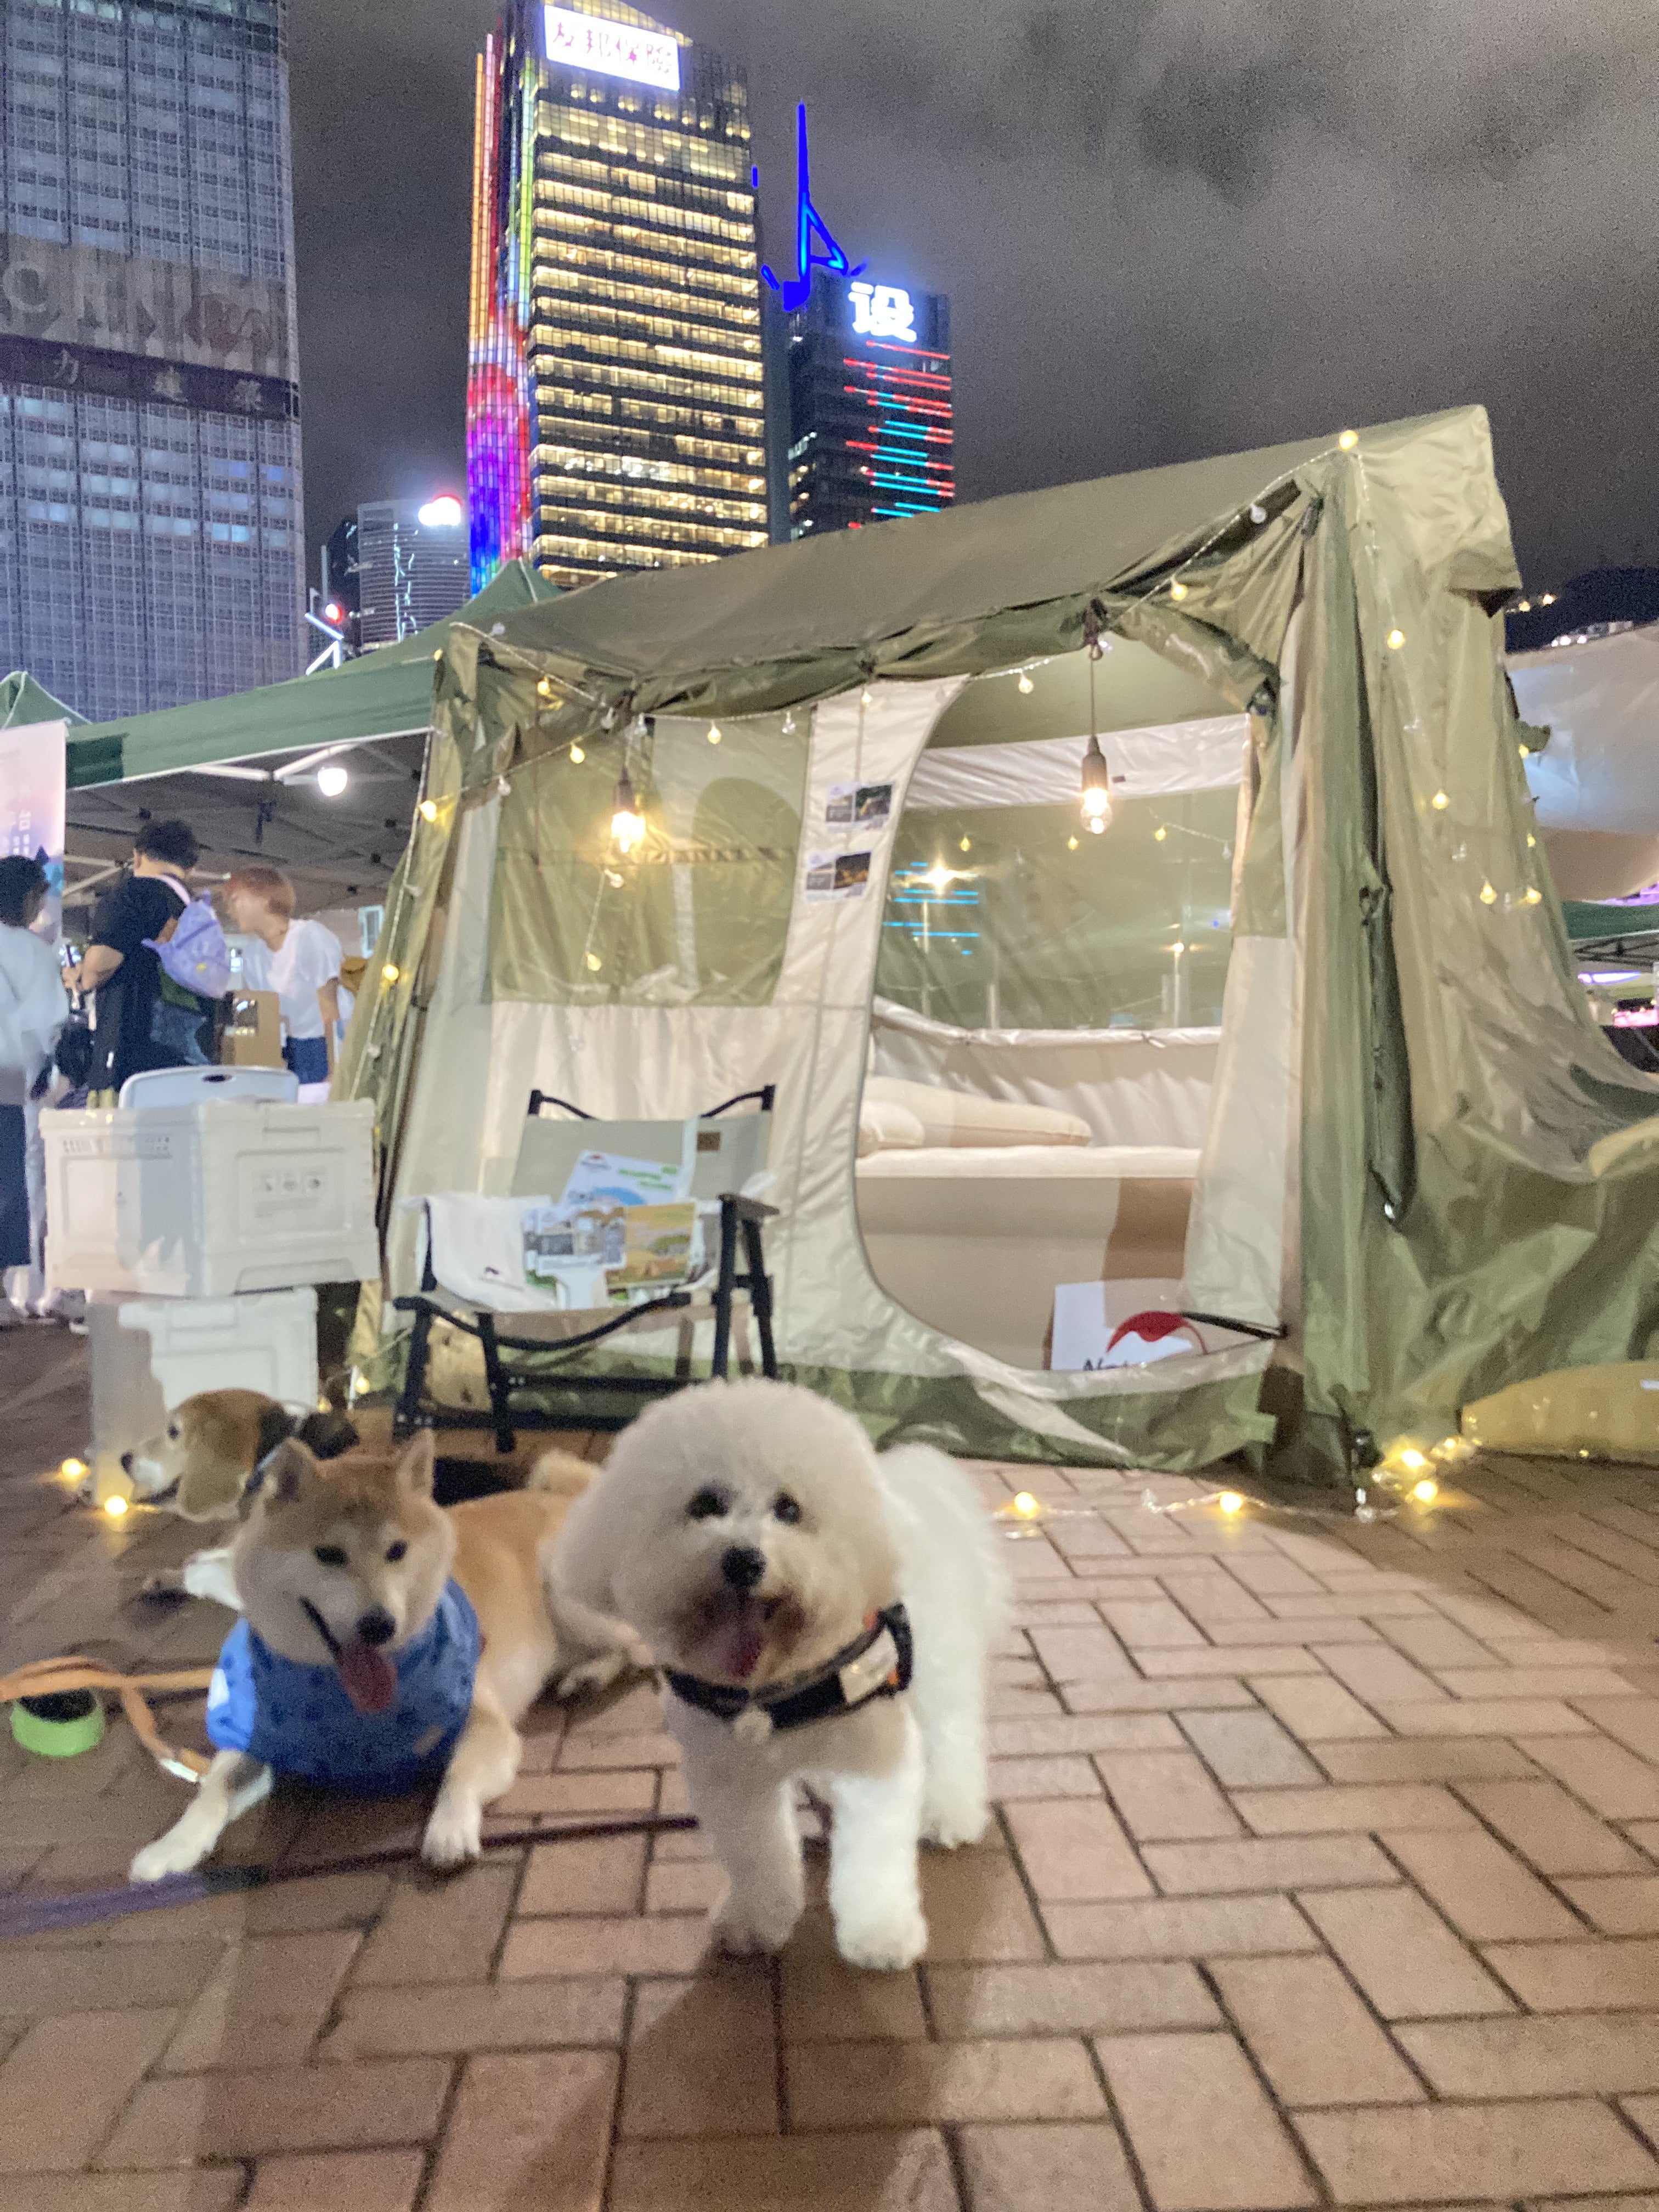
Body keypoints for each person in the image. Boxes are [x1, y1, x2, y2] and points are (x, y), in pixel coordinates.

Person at [66, 819, 211, 1100]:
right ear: (190, 869)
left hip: (131, 1052)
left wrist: (80, 974)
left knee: (121, 1141)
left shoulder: (131, 894)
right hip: (190, 1054)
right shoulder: (197, 911)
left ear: (138, 856)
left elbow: (99, 968)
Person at [0, 855, 68, 1325]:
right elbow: (48, 1023)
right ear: (28, 898)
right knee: (7, 1180)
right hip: (6, 1072)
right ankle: (3, 1298)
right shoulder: (32, 949)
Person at [222, 866, 342, 1092]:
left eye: (235, 900)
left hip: (328, 1044)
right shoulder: (252, 955)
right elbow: (250, 1020)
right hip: (295, 1046)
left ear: (263, 900)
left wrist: (337, 1070)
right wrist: (246, 1066)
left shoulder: (310, 937)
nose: (228, 911)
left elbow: (331, 1012)